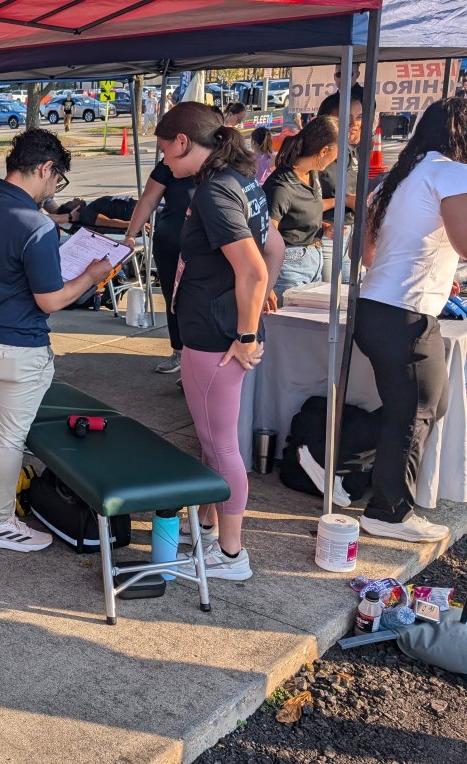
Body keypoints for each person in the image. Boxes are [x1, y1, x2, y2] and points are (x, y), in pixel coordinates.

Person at [0, 129, 115, 551]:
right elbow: (50, 300)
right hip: (18, 344)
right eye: (56, 181)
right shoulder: (36, 225)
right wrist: (91, 277)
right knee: (9, 436)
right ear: (45, 168)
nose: (53, 190)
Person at [154, 101, 285, 581]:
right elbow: (274, 248)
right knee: (212, 439)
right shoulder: (241, 180)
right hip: (220, 329)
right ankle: (209, 527)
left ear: (184, 142)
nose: (164, 161)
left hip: (217, 336)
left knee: (221, 445)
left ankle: (231, 555)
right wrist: (255, 300)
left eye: (165, 150)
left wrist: (245, 331)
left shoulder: (214, 191)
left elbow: (253, 266)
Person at [352, 97, 467, 544]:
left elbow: (365, 253)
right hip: (406, 314)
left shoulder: (401, 177)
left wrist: (433, 269)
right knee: (416, 411)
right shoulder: (451, 172)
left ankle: (357, 468)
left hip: (380, 306)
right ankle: (388, 511)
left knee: (424, 407)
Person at [121, 158, 197, 375]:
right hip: (171, 242)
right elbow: (148, 199)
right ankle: (179, 353)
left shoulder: (217, 156)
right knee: (173, 299)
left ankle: (197, 363)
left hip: (205, 245)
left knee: (200, 302)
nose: (163, 150)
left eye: (165, 145)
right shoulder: (169, 162)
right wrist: (130, 235)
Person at [264, 116, 339, 302]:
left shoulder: (311, 174)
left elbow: (297, 214)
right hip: (289, 267)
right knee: (286, 328)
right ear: (323, 151)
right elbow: (264, 235)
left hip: (313, 259)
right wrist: (266, 284)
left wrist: (321, 226)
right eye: (335, 156)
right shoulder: (282, 186)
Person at [317, 85, 365, 281]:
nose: (354, 123)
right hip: (326, 235)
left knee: (350, 299)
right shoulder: (316, 156)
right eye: (347, 117)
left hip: (353, 233)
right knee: (327, 301)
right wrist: (344, 200)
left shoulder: (354, 152)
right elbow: (300, 203)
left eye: (359, 117)